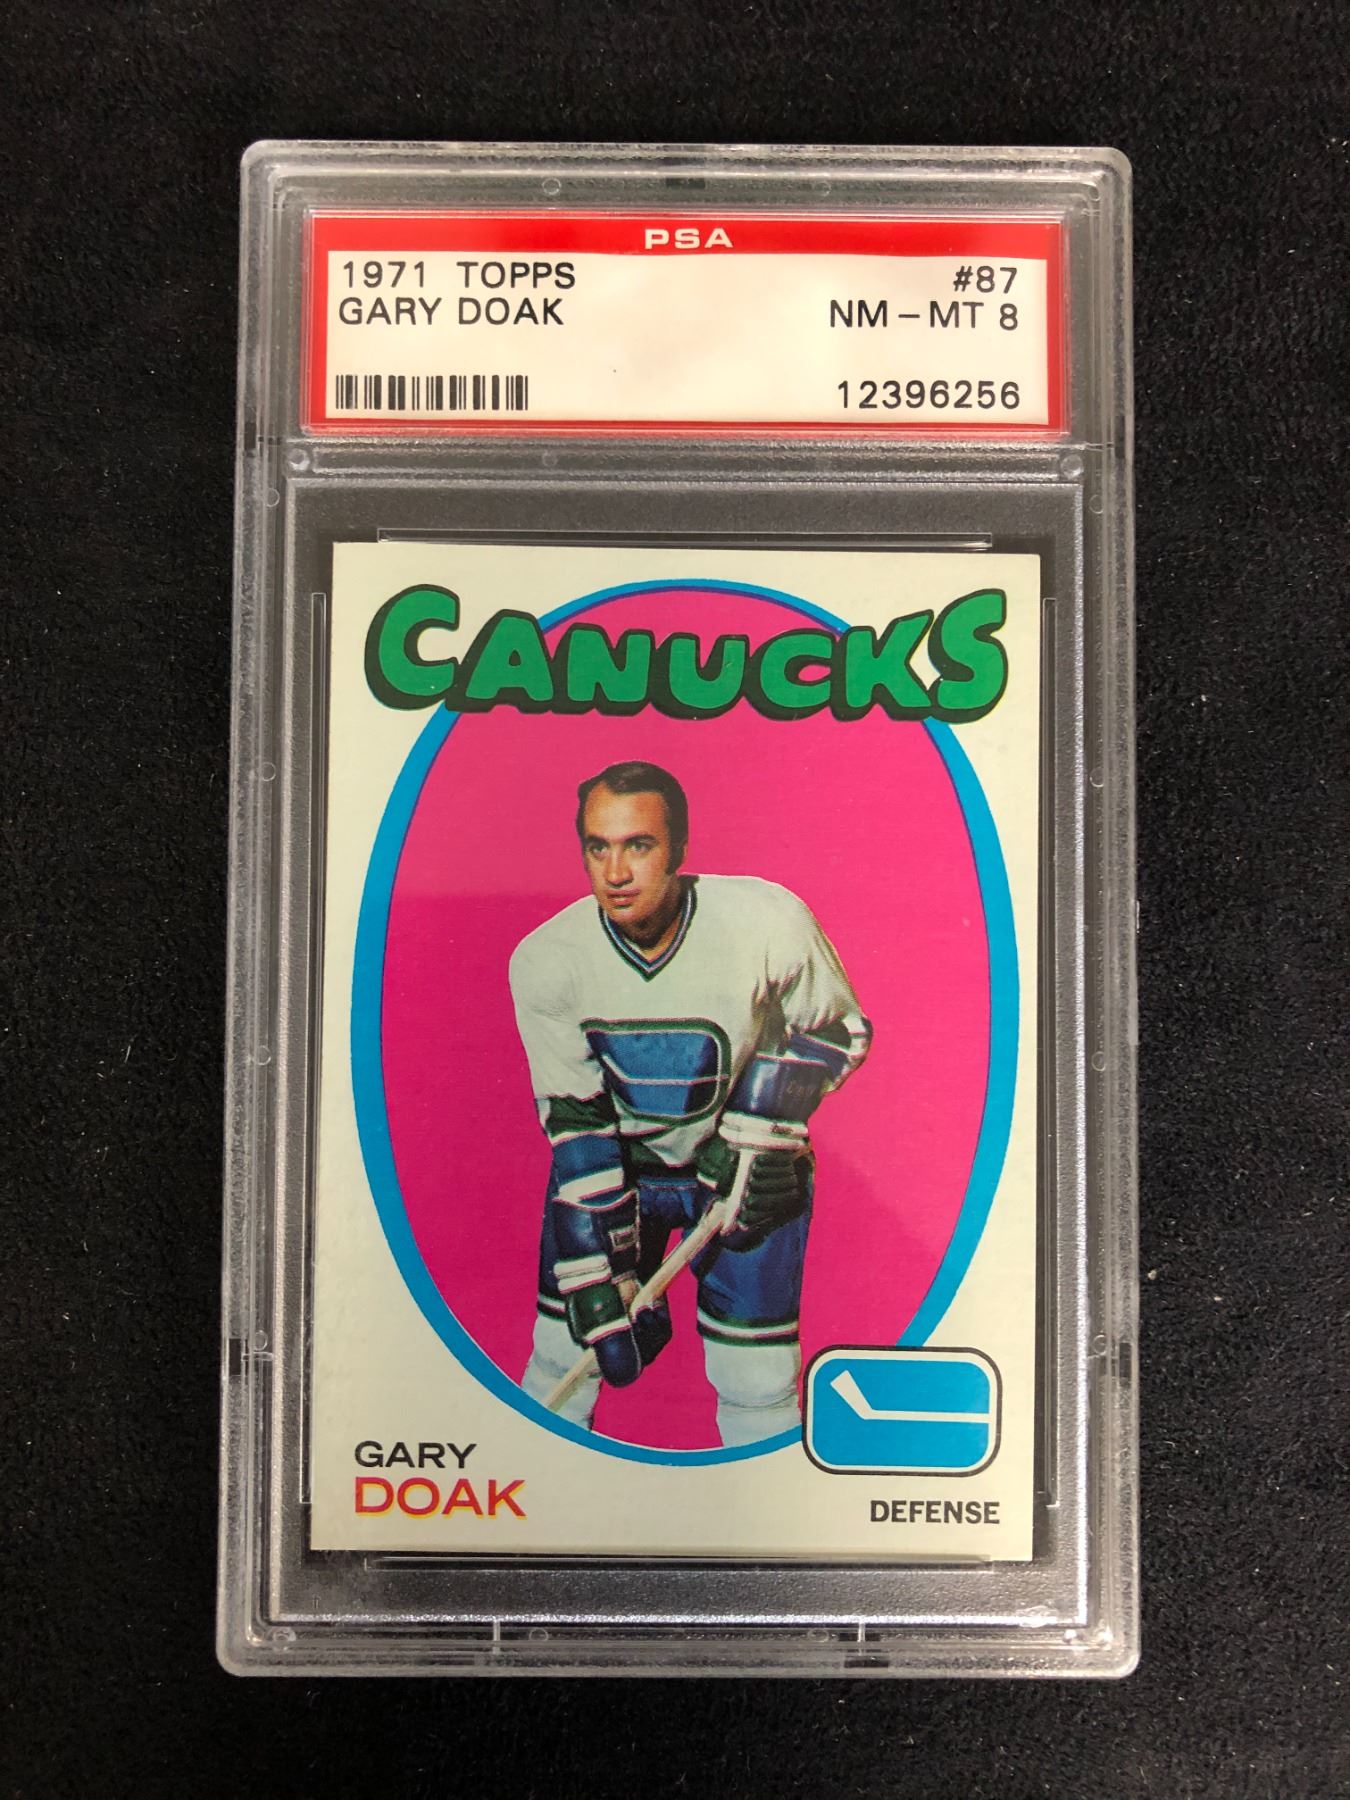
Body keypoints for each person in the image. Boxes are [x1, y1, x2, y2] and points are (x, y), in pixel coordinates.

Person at [509, 760, 871, 1446]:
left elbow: (839, 1030)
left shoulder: (768, 921)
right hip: (622, 1169)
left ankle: (763, 1507)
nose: (616, 872)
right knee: (565, 1357)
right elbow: (578, 1118)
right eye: (598, 847)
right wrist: (595, 1264)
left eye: (639, 845)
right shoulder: (548, 958)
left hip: (745, 1170)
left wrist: (758, 1133)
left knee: (757, 1382)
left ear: (679, 847)